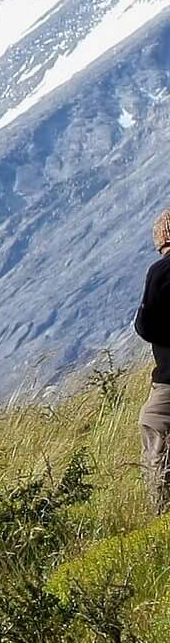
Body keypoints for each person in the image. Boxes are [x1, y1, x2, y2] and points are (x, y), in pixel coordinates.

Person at [135, 208, 170, 515]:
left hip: (169, 379)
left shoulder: (160, 272)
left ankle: (160, 514)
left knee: (154, 425)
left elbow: (144, 326)